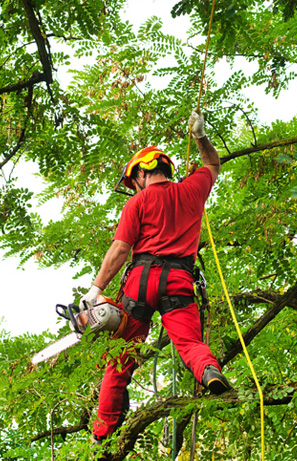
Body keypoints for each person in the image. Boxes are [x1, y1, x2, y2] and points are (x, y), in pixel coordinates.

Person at [81, 110, 231, 443]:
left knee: (120, 359)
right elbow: (212, 165)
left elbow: (120, 250)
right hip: (178, 281)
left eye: (133, 180)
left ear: (142, 173)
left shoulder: (137, 203)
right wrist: (200, 137)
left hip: (140, 282)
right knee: (190, 344)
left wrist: (96, 290)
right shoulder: (192, 190)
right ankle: (209, 372)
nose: (133, 187)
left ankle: (102, 435)